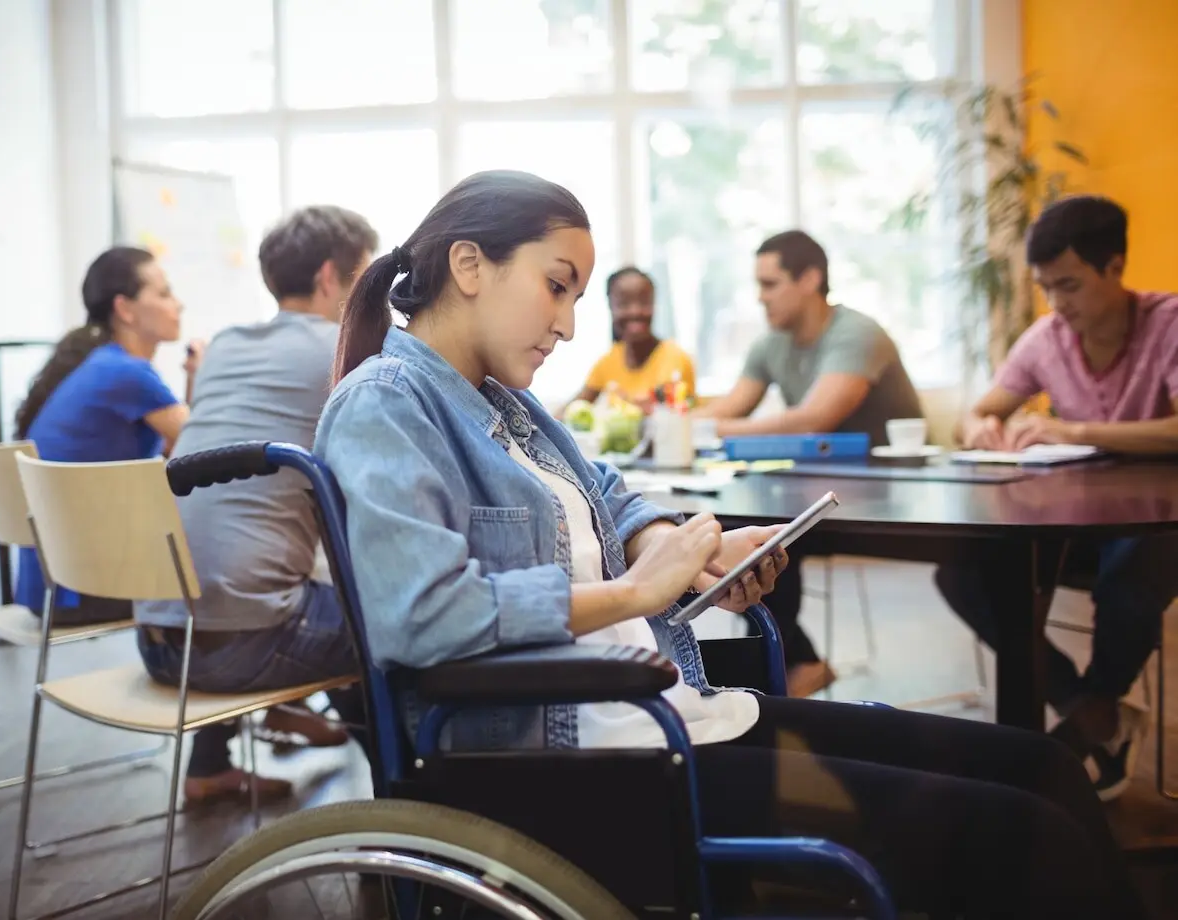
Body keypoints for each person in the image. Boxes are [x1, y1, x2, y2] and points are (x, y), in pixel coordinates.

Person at [311, 169, 1144, 919]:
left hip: (659, 721)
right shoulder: (386, 403)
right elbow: (420, 617)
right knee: (1026, 832)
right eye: (557, 288)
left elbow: (608, 495)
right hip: (585, 762)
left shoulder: (506, 406)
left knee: (1042, 769)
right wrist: (638, 594)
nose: (568, 325)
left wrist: (687, 550)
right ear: (468, 267)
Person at [135, 206, 380, 806]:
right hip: (240, 649)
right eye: (368, 277)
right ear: (331, 277)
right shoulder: (347, 347)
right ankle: (405, 799)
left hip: (159, 640)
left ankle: (210, 765)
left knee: (246, 569)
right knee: (396, 619)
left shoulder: (223, 345)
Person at [936, 194, 1178, 801]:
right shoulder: (1048, 336)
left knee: (1135, 565)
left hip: (1154, 525)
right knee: (962, 572)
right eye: (1046, 288)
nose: (1057, 303)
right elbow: (980, 410)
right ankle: (1093, 713)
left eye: (1069, 285)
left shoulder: (1168, 323)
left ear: (1115, 266)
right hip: (1077, 522)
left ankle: (1092, 710)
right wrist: (981, 429)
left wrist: (1075, 431)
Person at [701, 230, 924, 698]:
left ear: (810, 279)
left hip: (891, 500)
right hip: (814, 493)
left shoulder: (856, 334)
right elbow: (729, 409)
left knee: (763, 532)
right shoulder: (771, 344)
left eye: (770, 284)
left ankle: (786, 667)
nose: (760, 298)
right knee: (747, 530)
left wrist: (712, 430)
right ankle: (791, 664)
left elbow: (814, 419)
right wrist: (671, 423)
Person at [13, 246, 202, 626]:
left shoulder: (105, 365)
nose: (178, 305)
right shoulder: (126, 374)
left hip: (53, 587)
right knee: (229, 571)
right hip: (83, 590)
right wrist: (201, 373)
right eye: (164, 294)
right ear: (125, 309)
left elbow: (181, 446)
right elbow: (205, 445)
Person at [567, 267, 695, 410]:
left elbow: (671, 410)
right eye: (624, 303)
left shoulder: (675, 358)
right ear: (611, 306)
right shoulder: (608, 362)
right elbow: (570, 409)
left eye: (644, 302)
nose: (635, 311)